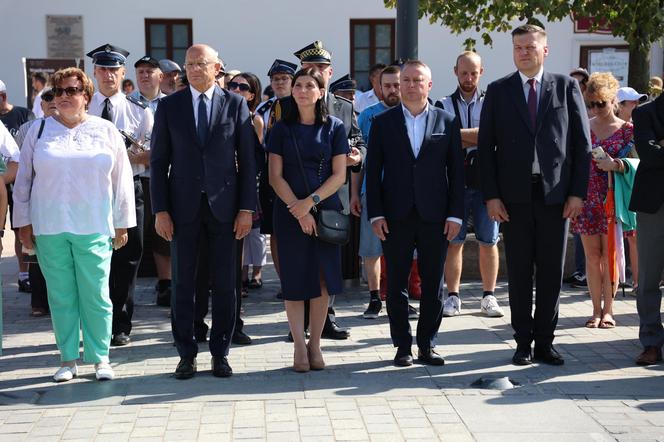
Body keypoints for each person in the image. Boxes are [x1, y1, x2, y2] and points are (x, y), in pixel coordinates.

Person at [478, 24, 591, 366]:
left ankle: (545, 341)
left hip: (555, 196)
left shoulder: (566, 86)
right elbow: (486, 149)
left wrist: (577, 193)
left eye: (529, 46)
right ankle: (522, 342)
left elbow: (581, 146)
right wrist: (492, 196)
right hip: (513, 198)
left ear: (545, 50)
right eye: (517, 47)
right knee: (520, 270)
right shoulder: (499, 91)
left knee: (551, 273)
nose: (523, 52)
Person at [13, 67, 136, 382]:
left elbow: (121, 180)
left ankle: (100, 357)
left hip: (94, 224)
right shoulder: (38, 132)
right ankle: (68, 359)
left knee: (96, 293)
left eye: (72, 90)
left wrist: (122, 223)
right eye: (58, 92)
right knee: (61, 295)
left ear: (86, 96)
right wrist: (22, 223)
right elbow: (23, 181)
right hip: (49, 225)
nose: (64, 97)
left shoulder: (106, 131)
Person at [150, 44, 256, 379]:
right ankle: (186, 352)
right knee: (183, 283)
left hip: (225, 209)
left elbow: (249, 161)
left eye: (201, 64)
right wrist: (161, 210)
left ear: (217, 67)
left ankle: (220, 352)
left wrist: (246, 209)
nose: (194, 69)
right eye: (189, 64)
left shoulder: (235, 104)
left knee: (226, 284)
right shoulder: (169, 106)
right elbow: (158, 162)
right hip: (182, 210)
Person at [366, 60, 464, 367]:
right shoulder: (383, 123)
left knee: (434, 283)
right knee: (396, 284)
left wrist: (455, 215)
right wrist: (376, 214)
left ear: (429, 85)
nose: (410, 85)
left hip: (436, 215)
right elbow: (374, 171)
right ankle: (402, 346)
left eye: (417, 80)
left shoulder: (447, 121)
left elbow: (457, 173)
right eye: (405, 80)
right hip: (395, 215)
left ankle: (427, 344)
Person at [267, 67, 348, 372]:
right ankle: (299, 348)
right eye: (298, 85)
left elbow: (339, 175)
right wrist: (297, 209)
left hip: (323, 211)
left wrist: (310, 204)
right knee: (294, 280)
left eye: (309, 86)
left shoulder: (335, 127)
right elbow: (275, 177)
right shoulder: (280, 129)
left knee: (322, 281)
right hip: (289, 213)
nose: (302, 90)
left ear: (320, 91)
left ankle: (315, 345)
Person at [291, 40, 365, 340]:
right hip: (298, 196)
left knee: (328, 261)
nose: (316, 72)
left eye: (321, 68)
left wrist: (357, 156)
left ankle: (325, 318)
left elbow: (358, 141)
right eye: (309, 68)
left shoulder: (344, 107)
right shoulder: (289, 105)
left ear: (330, 72)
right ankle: (300, 320)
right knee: (300, 259)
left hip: (333, 195)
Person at [86, 44, 153, 347]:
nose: (108, 75)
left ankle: (120, 323)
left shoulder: (138, 110)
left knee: (127, 258)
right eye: (103, 69)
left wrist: (123, 155)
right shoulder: (83, 108)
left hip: (128, 189)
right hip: (89, 193)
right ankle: (93, 322)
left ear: (123, 73)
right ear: (94, 73)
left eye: (114, 69)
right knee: (92, 258)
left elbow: (149, 155)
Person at [436, 51, 503, 319]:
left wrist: (462, 137)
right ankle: (453, 296)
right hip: (455, 181)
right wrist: (480, 137)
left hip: (487, 181)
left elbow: (496, 136)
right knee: (455, 240)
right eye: (464, 72)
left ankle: (489, 296)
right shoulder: (442, 104)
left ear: (481, 72)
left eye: (473, 73)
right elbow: (442, 140)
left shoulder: (493, 103)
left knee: (489, 240)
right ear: (455, 71)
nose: (468, 78)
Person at [572, 72, 635, 329]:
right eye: (592, 104)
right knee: (591, 256)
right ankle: (595, 309)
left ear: (614, 101)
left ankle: (609, 310)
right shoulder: (584, 127)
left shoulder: (628, 131)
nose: (596, 109)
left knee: (609, 255)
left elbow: (637, 164)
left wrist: (616, 164)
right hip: (586, 199)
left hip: (612, 200)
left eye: (602, 103)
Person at [353, 65, 401, 319]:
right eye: (388, 85)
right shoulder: (367, 116)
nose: (393, 90)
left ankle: (397, 297)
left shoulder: (412, 115)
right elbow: (358, 159)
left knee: (400, 249)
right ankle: (374, 299)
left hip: (404, 194)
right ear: (378, 88)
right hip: (372, 191)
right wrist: (354, 194)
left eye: (397, 84)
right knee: (372, 249)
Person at [130, 56, 173, 306]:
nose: (144, 76)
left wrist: (152, 155)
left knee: (163, 235)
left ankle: (166, 284)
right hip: (136, 178)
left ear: (161, 76)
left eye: (149, 71)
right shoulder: (126, 103)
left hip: (165, 178)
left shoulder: (172, 103)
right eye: (140, 72)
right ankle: (128, 288)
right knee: (136, 236)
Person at [256, 59, 297, 300]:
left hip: (295, 177)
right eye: (275, 79)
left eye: (284, 79)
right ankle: (285, 281)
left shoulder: (301, 106)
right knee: (276, 231)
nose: (280, 83)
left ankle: (297, 278)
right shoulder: (264, 109)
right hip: (271, 175)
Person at [14, 87, 58, 317]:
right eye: (47, 98)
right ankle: (39, 302)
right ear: (41, 105)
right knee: (35, 253)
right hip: (35, 199)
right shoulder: (27, 129)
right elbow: (22, 168)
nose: (52, 102)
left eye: (56, 97)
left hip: (60, 201)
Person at [630, 89, 664, 365]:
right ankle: (651, 342)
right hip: (653, 205)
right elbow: (649, 155)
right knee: (649, 279)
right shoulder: (645, 112)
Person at [0, 79, 33, 293]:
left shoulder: (22, 115)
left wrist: (2, 181)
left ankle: (24, 275)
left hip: (16, 186)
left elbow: (17, 159)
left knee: (20, 229)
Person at [615, 86, 647, 293]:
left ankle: (637, 282)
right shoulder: (612, 129)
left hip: (633, 185)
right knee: (613, 237)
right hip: (613, 186)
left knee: (634, 237)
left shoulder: (638, 128)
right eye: (631, 102)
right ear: (619, 106)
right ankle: (614, 282)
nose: (636, 105)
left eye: (637, 101)